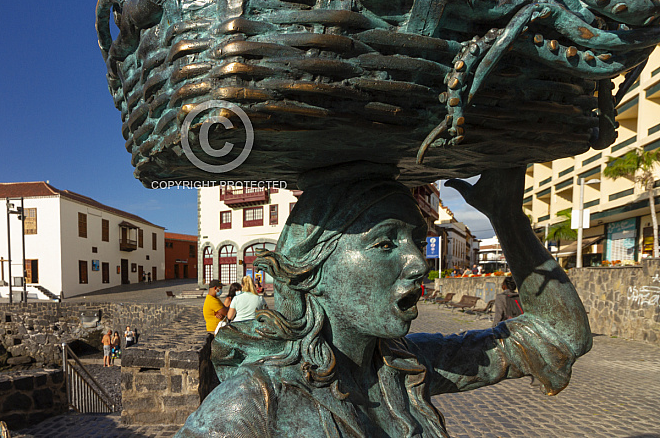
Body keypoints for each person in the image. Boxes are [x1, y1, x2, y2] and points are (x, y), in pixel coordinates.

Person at [176, 167, 591, 437]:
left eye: (414, 239)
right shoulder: (250, 407)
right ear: (314, 269)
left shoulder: (406, 366)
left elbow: (558, 334)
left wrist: (508, 218)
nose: (416, 262)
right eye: (384, 242)